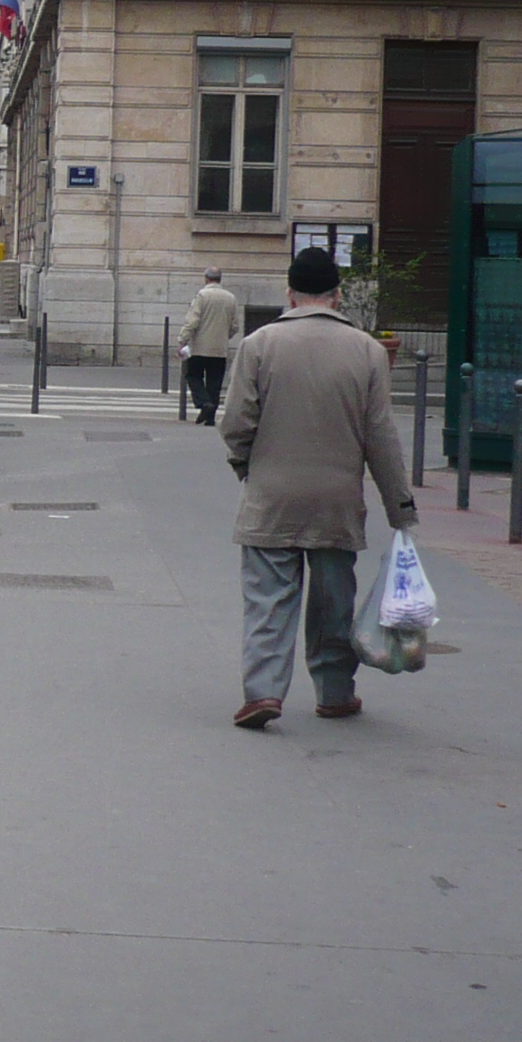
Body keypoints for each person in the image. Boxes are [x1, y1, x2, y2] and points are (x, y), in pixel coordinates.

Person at [216, 247, 418, 729]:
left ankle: (263, 692)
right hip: (337, 501)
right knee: (333, 602)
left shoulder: (259, 344)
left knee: (268, 600)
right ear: (338, 296)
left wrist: (248, 466)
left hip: (271, 496)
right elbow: (381, 438)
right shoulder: (368, 351)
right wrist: (400, 509)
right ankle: (334, 691)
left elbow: (235, 423)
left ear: (289, 293)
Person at [180, 267, 241, 424]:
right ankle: (210, 417)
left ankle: (204, 403)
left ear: (206, 279)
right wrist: (224, 336)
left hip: (200, 346)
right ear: (220, 279)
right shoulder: (230, 298)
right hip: (220, 348)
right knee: (214, 382)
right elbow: (235, 326)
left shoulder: (202, 295)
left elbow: (192, 321)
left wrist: (183, 340)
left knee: (193, 376)